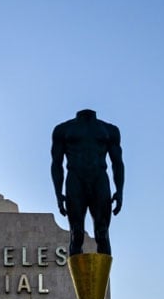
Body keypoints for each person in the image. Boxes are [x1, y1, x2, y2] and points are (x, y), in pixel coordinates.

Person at [51, 109, 124, 256]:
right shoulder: (63, 130)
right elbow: (56, 163)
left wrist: (120, 191)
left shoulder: (110, 130)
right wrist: (58, 194)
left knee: (102, 234)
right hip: (75, 180)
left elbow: (117, 163)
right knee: (76, 234)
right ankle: (78, 279)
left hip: (99, 180)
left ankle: (101, 278)